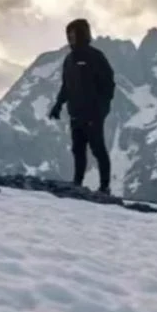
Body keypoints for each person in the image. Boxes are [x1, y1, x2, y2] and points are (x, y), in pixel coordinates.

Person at [48, 18, 115, 194]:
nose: (70, 37)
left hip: (93, 114)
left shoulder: (96, 57)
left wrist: (101, 109)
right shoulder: (69, 60)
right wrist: (58, 104)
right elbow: (66, 86)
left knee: (98, 149)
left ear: (82, 34)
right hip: (76, 113)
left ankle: (104, 187)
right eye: (68, 34)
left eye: (74, 34)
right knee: (78, 149)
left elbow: (109, 85)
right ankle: (77, 183)